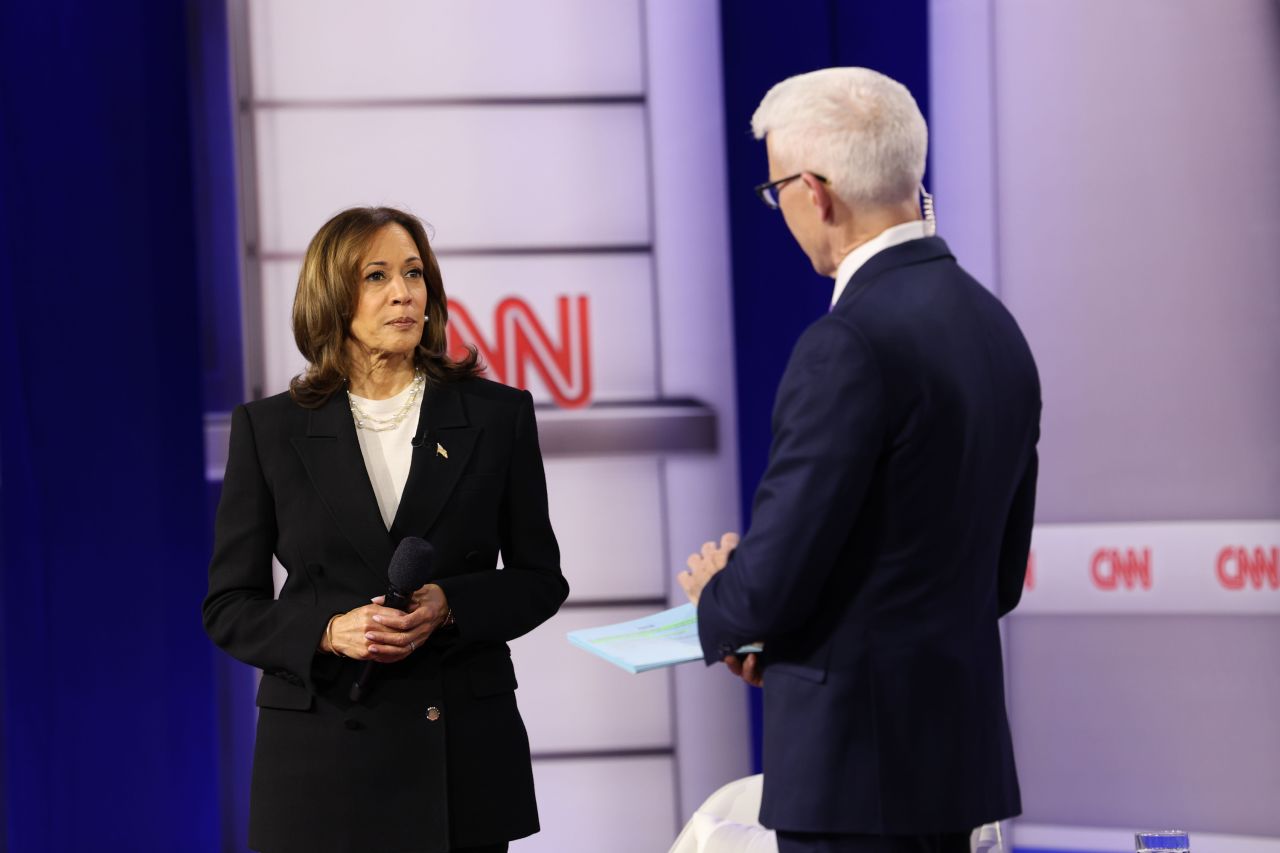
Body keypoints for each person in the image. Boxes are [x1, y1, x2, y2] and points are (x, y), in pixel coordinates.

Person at [677, 68, 1040, 853]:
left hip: (853, 784)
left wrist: (722, 600)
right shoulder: (997, 330)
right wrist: (789, 637)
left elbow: (767, 584)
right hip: (955, 773)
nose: (783, 212)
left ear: (816, 190)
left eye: (777, 193)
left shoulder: (845, 345)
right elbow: (995, 579)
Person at [203, 206, 568, 853]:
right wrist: (326, 630)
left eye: (414, 272)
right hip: (320, 763)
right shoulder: (270, 429)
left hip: (458, 757)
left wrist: (450, 604)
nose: (403, 292)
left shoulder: (496, 415)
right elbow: (230, 606)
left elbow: (540, 580)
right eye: (376, 275)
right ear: (330, 296)